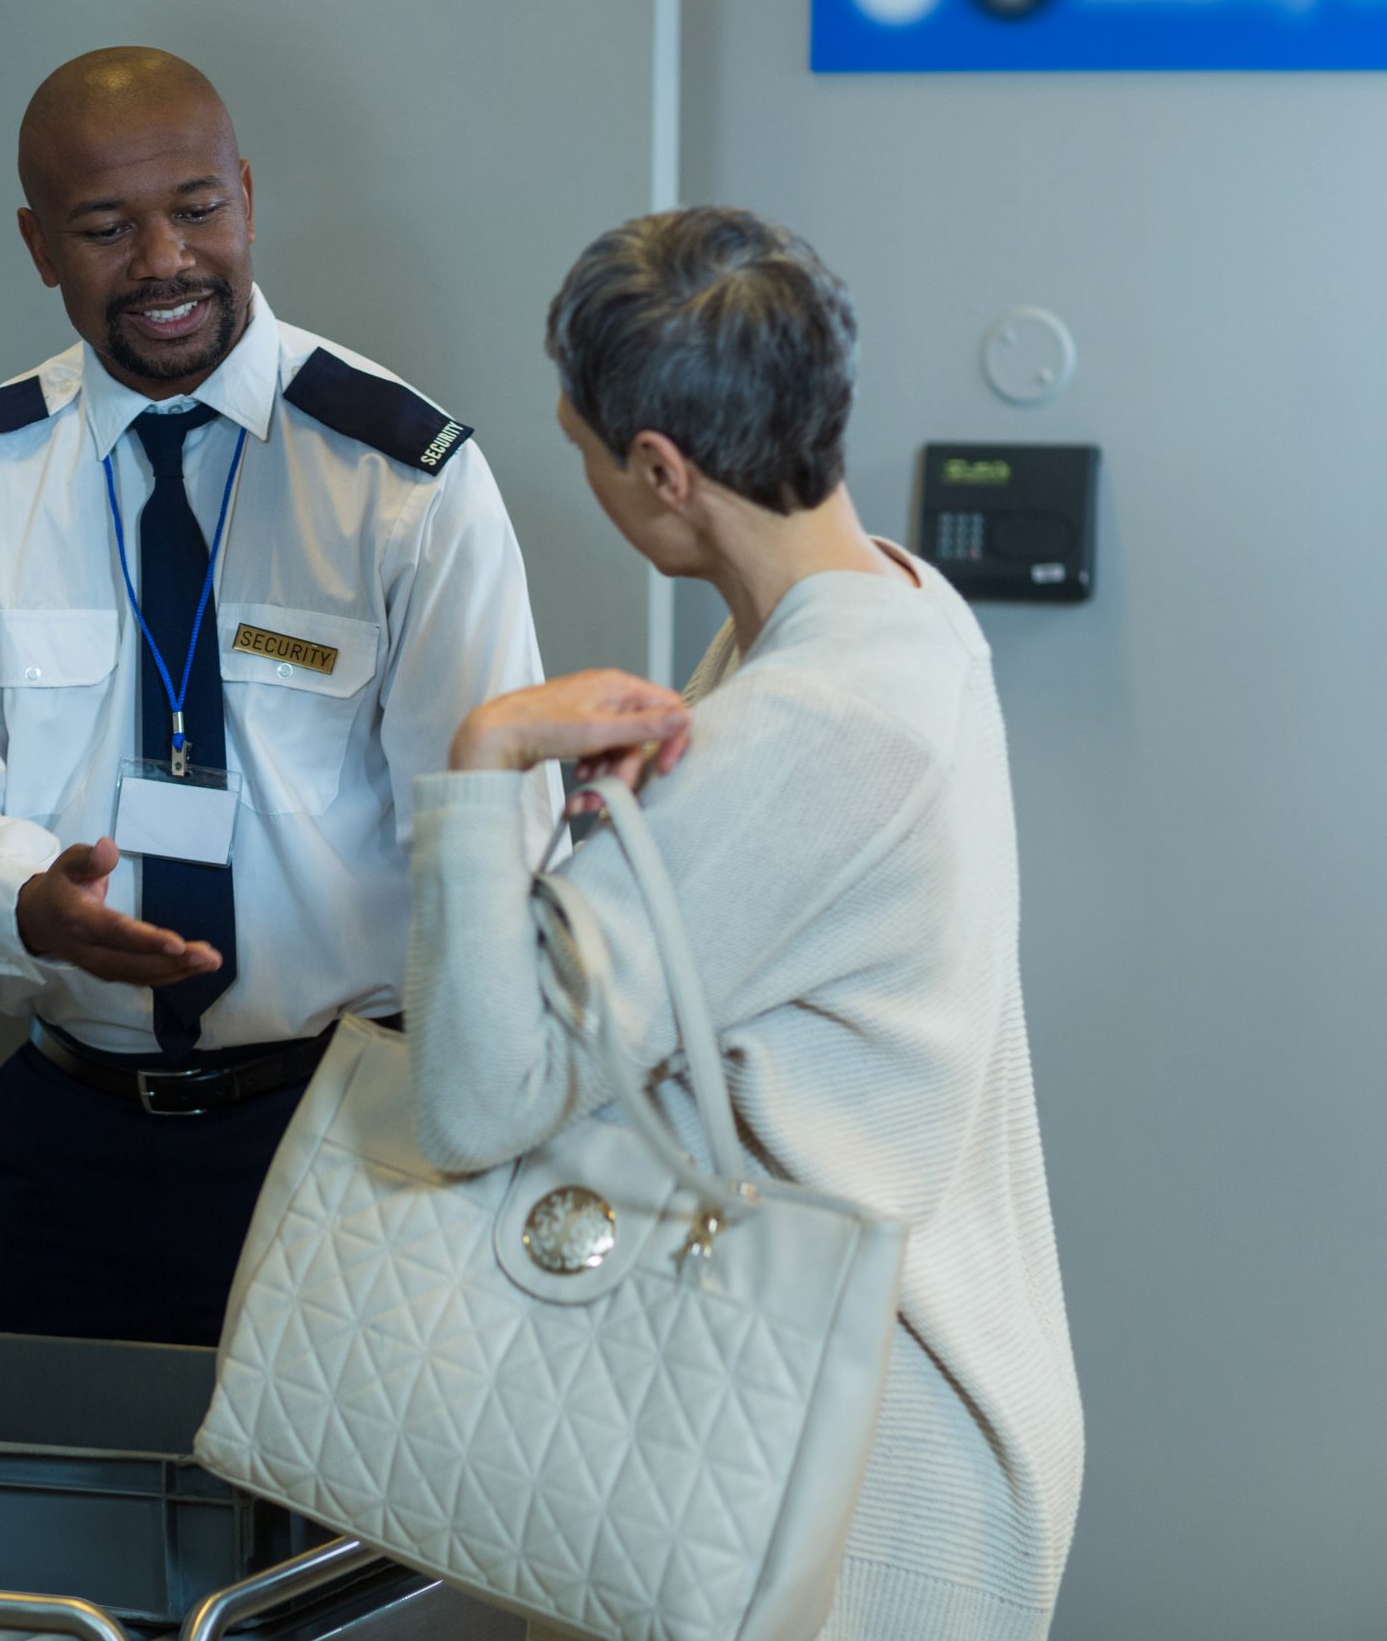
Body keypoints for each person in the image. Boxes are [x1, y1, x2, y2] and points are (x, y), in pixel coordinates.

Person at [404, 209, 1083, 1639]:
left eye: (584, 446)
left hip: (840, 1471)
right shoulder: (897, 609)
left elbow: (478, 1101)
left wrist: (481, 762)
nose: (584, 471)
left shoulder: (801, 722)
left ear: (662, 470)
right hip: (896, 1406)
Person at [0, 48, 558, 1346]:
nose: (166, 260)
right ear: (37, 246)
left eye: (197, 209)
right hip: (73, 1144)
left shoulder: (400, 476)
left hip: (351, 1133)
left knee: (335, 1550)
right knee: (58, 1539)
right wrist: (30, 903)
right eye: (106, 228)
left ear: (248, 195)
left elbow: (486, 825)